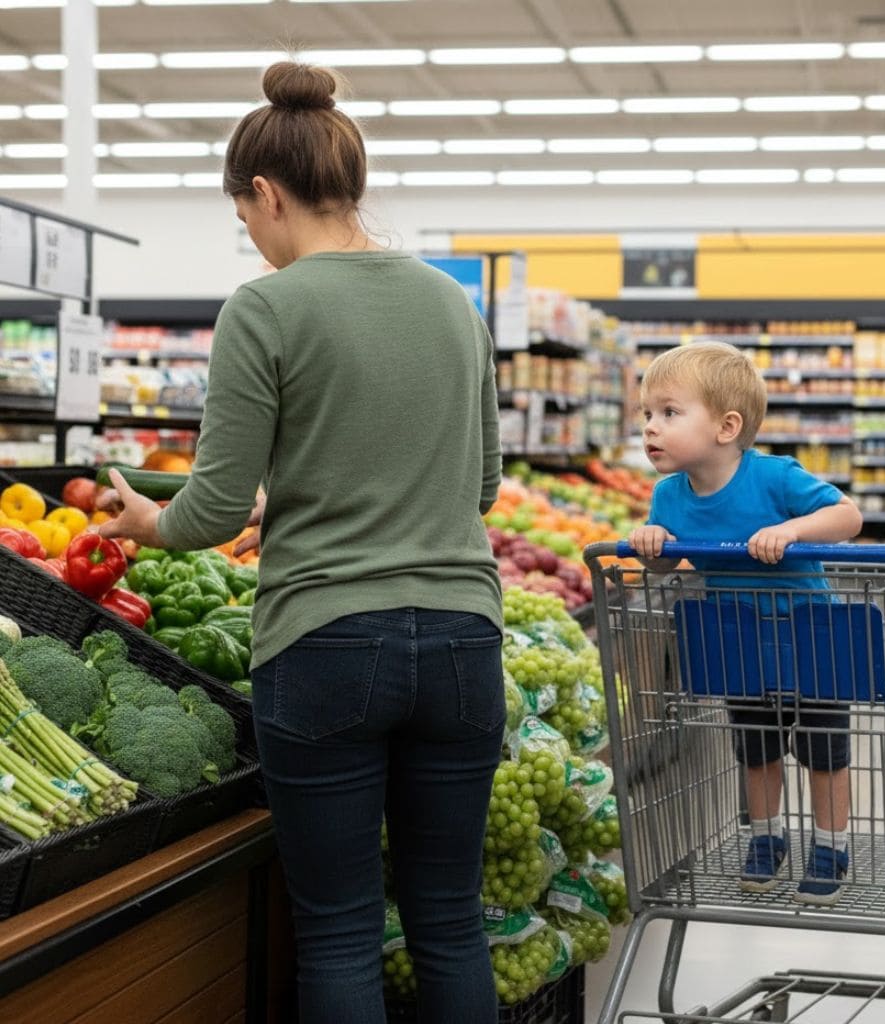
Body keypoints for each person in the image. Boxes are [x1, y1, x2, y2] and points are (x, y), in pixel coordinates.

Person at [95, 61, 505, 1024]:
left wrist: (149, 522)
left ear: (268, 194)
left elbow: (209, 511)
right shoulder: (454, 303)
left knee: (340, 931)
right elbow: (478, 489)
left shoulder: (264, 307)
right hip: (461, 645)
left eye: (245, 217)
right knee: (450, 921)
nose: (252, 236)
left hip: (324, 646)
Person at [628, 342, 863, 906]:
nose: (650, 428)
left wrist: (794, 531)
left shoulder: (775, 476)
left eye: (669, 412)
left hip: (811, 636)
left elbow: (849, 516)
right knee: (755, 748)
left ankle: (832, 844)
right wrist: (651, 545)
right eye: (647, 415)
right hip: (738, 640)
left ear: (727, 426)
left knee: (823, 751)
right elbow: (666, 561)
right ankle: (766, 839)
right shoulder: (668, 495)